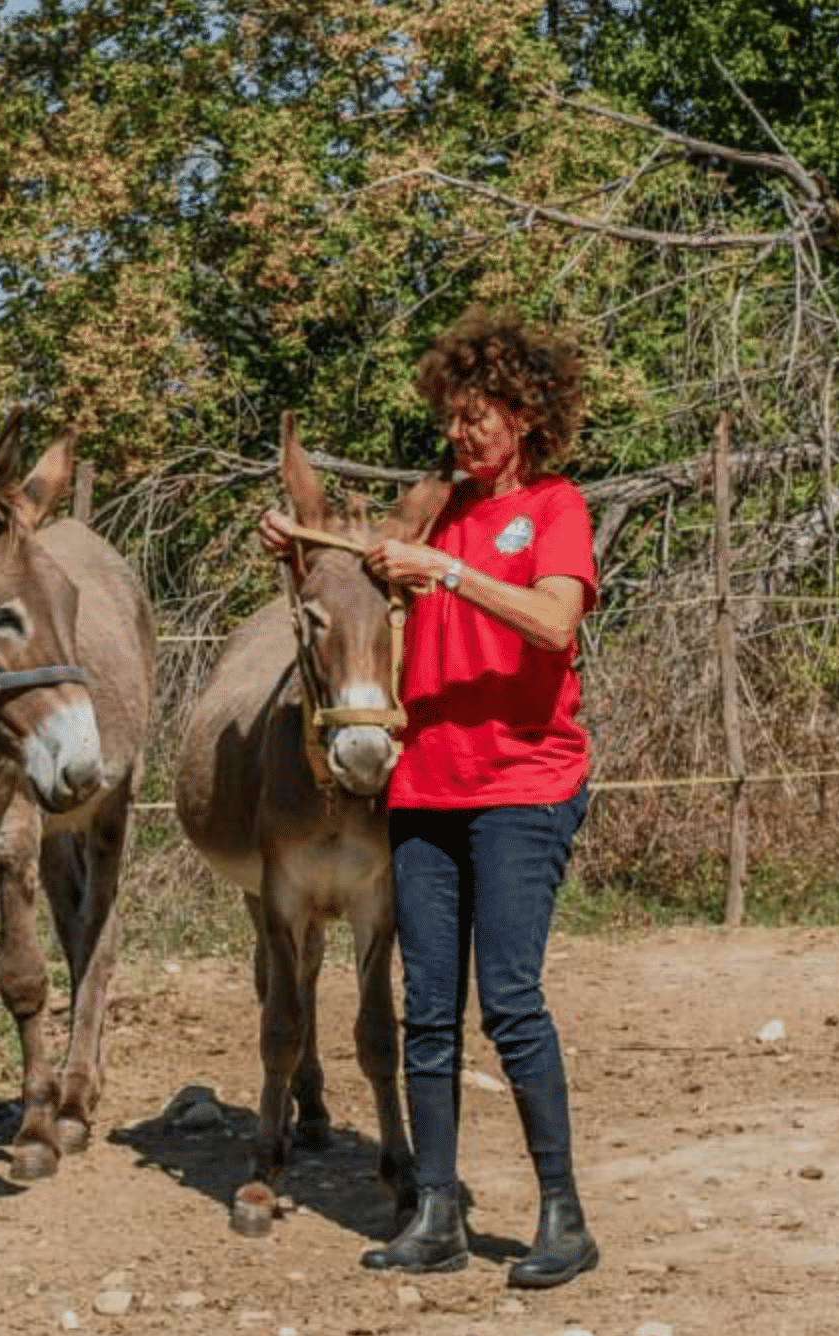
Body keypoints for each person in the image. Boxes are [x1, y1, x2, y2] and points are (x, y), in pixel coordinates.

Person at [260, 307, 600, 1287]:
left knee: (509, 1001)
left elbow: (550, 622)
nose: (460, 434)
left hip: (522, 788)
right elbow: (346, 560)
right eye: (451, 417)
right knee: (426, 1012)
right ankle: (436, 1210)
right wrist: (293, 538)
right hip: (425, 789)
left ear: (524, 416)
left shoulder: (554, 509)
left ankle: (561, 1216)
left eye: (477, 416)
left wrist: (446, 572)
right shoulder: (435, 506)